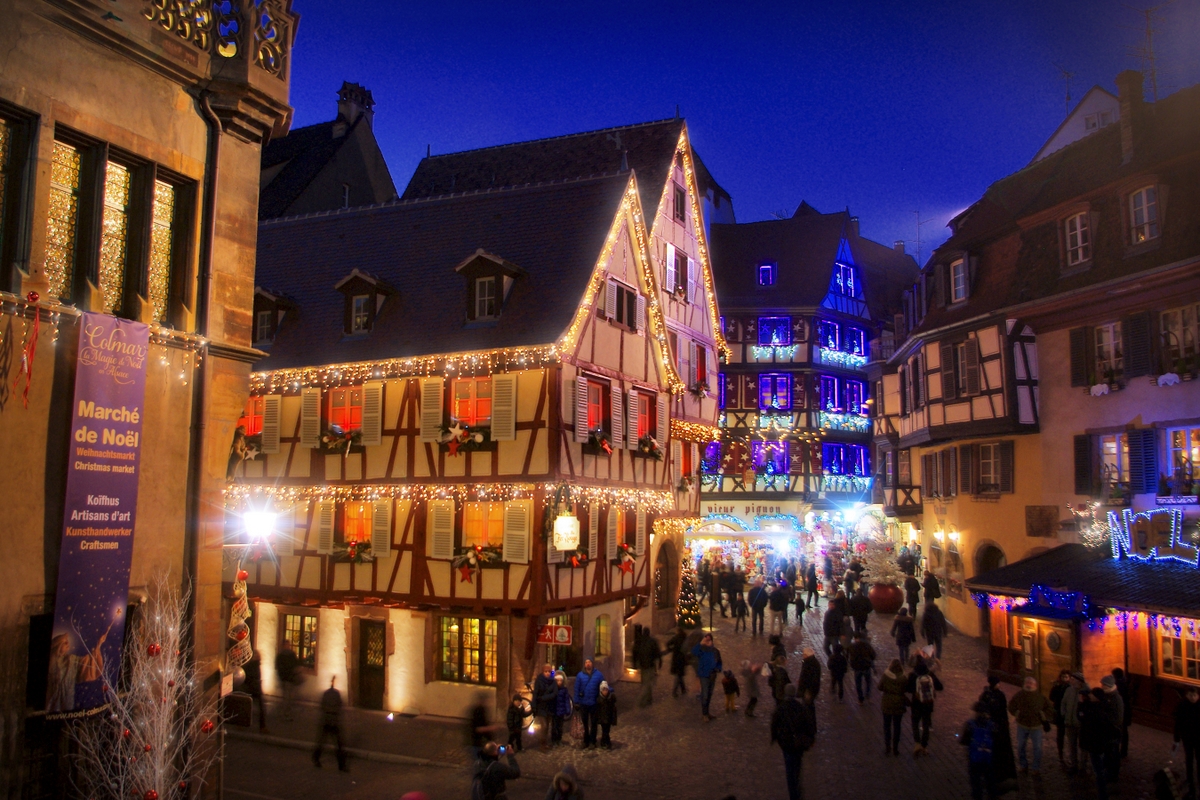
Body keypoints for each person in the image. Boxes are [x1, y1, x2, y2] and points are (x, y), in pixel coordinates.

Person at [770, 684, 816, 800]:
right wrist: (811, 739)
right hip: (798, 744)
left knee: (789, 772)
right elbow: (809, 725)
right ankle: (797, 786)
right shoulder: (800, 707)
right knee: (797, 766)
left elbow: (774, 724)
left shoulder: (780, 708)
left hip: (786, 744)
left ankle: (794, 795)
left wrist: (775, 738)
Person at [1079, 687, 1119, 800]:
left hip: (1095, 743)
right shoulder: (1104, 706)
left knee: (1098, 770)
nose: (1090, 696)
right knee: (1101, 768)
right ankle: (1104, 790)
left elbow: (1083, 718)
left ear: (1096, 697)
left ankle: (1102, 794)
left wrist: (1081, 705)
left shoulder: (1096, 710)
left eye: (1092, 694)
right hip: (1101, 743)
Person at [1008, 676, 1052, 774]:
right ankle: (1023, 765)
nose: (1028, 685)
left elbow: (1049, 708)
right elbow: (1011, 706)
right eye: (1027, 683)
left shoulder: (1040, 697)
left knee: (1037, 748)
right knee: (1020, 747)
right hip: (1022, 725)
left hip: (1036, 727)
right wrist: (1016, 713)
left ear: (1035, 685)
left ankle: (1036, 767)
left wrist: (1043, 716)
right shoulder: (1019, 695)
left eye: (1031, 683)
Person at [979, 676, 1017, 786]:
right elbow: (1002, 710)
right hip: (997, 726)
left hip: (995, 725)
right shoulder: (995, 695)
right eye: (998, 683)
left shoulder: (990, 694)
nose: (999, 685)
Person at [906, 657, 944, 756]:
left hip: (916, 704)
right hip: (928, 704)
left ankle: (917, 744)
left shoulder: (913, 675)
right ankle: (924, 746)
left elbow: (908, 689)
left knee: (915, 723)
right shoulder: (930, 674)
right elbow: (940, 687)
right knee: (926, 725)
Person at [960, 701, 997, 800]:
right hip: (988, 759)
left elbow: (964, 741)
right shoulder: (992, 725)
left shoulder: (970, 724)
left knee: (976, 783)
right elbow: (997, 740)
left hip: (974, 758)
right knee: (990, 782)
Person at [312, 676, 347, 771]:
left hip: (326, 719)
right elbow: (340, 706)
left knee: (322, 741)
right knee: (338, 743)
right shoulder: (336, 694)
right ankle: (341, 765)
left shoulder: (326, 693)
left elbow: (322, 705)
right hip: (333, 720)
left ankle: (316, 758)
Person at [1174, 686, 1200, 800]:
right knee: (1189, 759)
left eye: (1195, 696)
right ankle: (1190, 782)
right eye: (1191, 696)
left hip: (1199, 738)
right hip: (1188, 737)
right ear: (1187, 695)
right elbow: (1178, 723)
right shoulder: (1182, 706)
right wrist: (1177, 737)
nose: (1193, 698)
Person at [691, 632, 723, 721]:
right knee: (705, 695)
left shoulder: (715, 651)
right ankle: (704, 714)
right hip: (704, 675)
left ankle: (707, 712)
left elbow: (719, 662)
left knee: (709, 694)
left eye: (709, 640)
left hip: (712, 675)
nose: (708, 641)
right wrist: (700, 644)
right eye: (706, 640)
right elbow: (694, 652)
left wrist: (718, 668)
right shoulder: (701, 650)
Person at [573, 659, 604, 749]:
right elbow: (576, 689)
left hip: (594, 703)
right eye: (586, 662)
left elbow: (604, 685)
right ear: (584, 664)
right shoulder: (580, 675)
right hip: (583, 703)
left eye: (589, 662)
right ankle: (585, 740)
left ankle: (592, 741)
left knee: (594, 723)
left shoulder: (598, 674)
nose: (588, 664)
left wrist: (609, 692)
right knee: (585, 724)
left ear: (592, 664)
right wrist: (576, 701)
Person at [879, 659, 907, 756]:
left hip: (887, 703)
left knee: (887, 726)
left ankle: (887, 747)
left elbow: (879, 687)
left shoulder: (886, 676)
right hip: (899, 703)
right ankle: (895, 748)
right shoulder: (903, 677)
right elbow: (906, 688)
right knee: (897, 726)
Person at [1061, 672, 1088, 773]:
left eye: (1073, 679)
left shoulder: (1086, 692)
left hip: (1081, 725)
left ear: (1079, 681)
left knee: (1083, 747)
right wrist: (1064, 714)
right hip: (1069, 723)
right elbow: (1063, 703)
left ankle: (1083, 766)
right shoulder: (1069, 690)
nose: (1070, 681)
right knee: (1071, 746)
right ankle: (1073, 764)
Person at [1100, 674, 1124, 782]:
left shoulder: (1116, 698)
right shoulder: (1106, 696)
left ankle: (1113, 774)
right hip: (1106, 731)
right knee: (1107, 753)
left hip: (1113, 731)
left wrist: (1106, 720)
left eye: (1103, 685)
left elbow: (1118, 718)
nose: (1102, 686)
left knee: (1113, 754)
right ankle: (1108, 772)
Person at [634, 629, 662, 708]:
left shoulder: (639, 641)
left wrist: (635, 663)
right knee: (647, 683)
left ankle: (649, 698)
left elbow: (635, 652)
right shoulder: (653, 641)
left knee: (645, 681)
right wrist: (660, 662)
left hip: (642, 664)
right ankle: (642, 700)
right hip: (650, 665)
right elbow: (658, 652)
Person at [1048, 669, 1071, 765]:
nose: (1064, 679)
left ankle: (1070, 756)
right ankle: (1061, 754)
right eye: (1063, 677)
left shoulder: (1071, 688)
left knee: (1070, 736)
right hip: (1059, 714)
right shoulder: (1058, 687)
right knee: (1060, 735)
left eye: (1066, 677)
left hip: (1068, 714)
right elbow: (1051, 697)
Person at [242, 649, 268, 733]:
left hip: (256, 688)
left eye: (258, 655)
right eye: (256, 655)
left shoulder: (257, 664)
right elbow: (248, 677)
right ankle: (243, 724)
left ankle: (262, 726)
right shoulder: (250, 665)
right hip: (251, 688)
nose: (257, 657)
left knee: (261, 708)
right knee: (247, 706)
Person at [533, 663, 558, 750]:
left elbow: (555, 693)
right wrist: (534, 705)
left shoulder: (553, 681)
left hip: (549, 706)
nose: (547, 673)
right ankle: (542, 743)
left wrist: (543, 698)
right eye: (545, 671)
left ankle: (545, 743)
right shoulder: (539, 680)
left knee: (547, 725)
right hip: (541, 707)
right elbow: (536, 693)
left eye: (549, 671)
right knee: (544, 726)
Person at [847, 632, 877, 704]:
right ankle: (868, 696)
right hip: (866, 666)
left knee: (858, 684)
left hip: (857, 668)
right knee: (868, 682)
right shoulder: (867, 645)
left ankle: (860, 699)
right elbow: (873, 655)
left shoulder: (852, 646)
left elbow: (848, 656)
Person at [275, 639, 300, 720]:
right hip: (286, 679)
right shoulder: (281, 656)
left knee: (289, 697)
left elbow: (296, 664)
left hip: (291, 679)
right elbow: (279, 667)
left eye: (288, 644)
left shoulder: (291, 654)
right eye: (286, 644)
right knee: (286, 697)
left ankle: (287, 712)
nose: (287, 646)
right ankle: (285, 713)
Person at [1112, 667, 1133, 759]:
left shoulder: (1117, 686)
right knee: (1124, 732)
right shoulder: (1125, 683)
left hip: (1120, 712)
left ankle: (1118, 750)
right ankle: (1124, 750)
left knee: (1119, 731)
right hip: (1126, 711)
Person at [594, 681, 617, 749]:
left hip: (608, 717)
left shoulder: (610, 698)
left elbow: (613, 709)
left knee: (607, 730)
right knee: (604, 730)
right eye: (603, 690)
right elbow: (598, 710)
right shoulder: (599, 699)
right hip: (603, 718)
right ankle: (604, 742)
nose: (605, 691)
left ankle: (606, 741)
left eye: (606, 690)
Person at [552, 671, 572, 746]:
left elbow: (566, 700)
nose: (559, 682)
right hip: (554, 710)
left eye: (561, 680)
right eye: (558, 680)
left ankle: (559, 739)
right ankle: (554, 740)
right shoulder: (553, 689)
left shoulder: (564, 690)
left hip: (561, 711)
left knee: (560, 727)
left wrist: (568, 709)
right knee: (554, 727)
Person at [667, 627, 688, 698]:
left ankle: (675, 691)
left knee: (679, 675)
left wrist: (671, 649)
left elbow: (668, 643)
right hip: (682, 659)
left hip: (676, 658)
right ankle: (682, 689)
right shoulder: (685, 638)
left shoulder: (675, 638)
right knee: (680, 674)